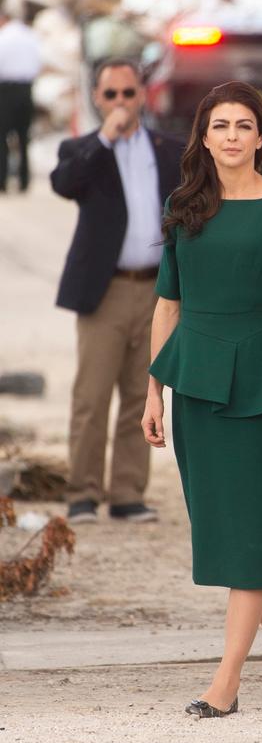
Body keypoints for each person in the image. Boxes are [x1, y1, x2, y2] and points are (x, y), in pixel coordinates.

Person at [141, 81, 262, 718]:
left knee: (252, 532)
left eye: (245, 125)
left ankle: (227, 680)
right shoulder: (184, 203)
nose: (233, 136)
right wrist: (152, 391)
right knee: (227, 535)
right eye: (221, 126)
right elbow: (167, 302)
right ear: (205, 136)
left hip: (259, 384)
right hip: (192, 380)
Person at [51, 58, 182, 524]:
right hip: (105, 290)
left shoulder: (168, 148)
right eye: (112, 95)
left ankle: (127, 492)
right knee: (92, 396)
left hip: (156, 290)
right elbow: (63, 184)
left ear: (143, 95)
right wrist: (106, 136)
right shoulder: (84, 148)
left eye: (129, 93)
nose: (122, 103)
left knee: (140, 392)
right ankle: (82, 493)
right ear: (97, 98)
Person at [0, 5, 40, 193]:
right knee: (24, 138)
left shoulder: (4, 37)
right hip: (26, 88)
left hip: (6, 90)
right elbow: (38, 62)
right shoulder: (30, 36)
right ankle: (24, 181)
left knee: (3, 137)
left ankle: (2, 180)